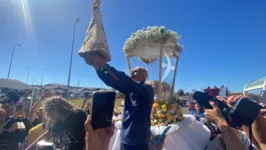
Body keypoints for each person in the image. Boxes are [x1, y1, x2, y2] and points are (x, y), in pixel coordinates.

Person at [85, 54, 154, 150]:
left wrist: (105, 65)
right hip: (125, 138)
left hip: (140, 140)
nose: (131, 74)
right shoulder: (129, 90)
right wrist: (97, 67)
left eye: (134, 72)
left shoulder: (148, 89)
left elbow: (126, 80)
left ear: (143, 75)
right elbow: (113, 82)